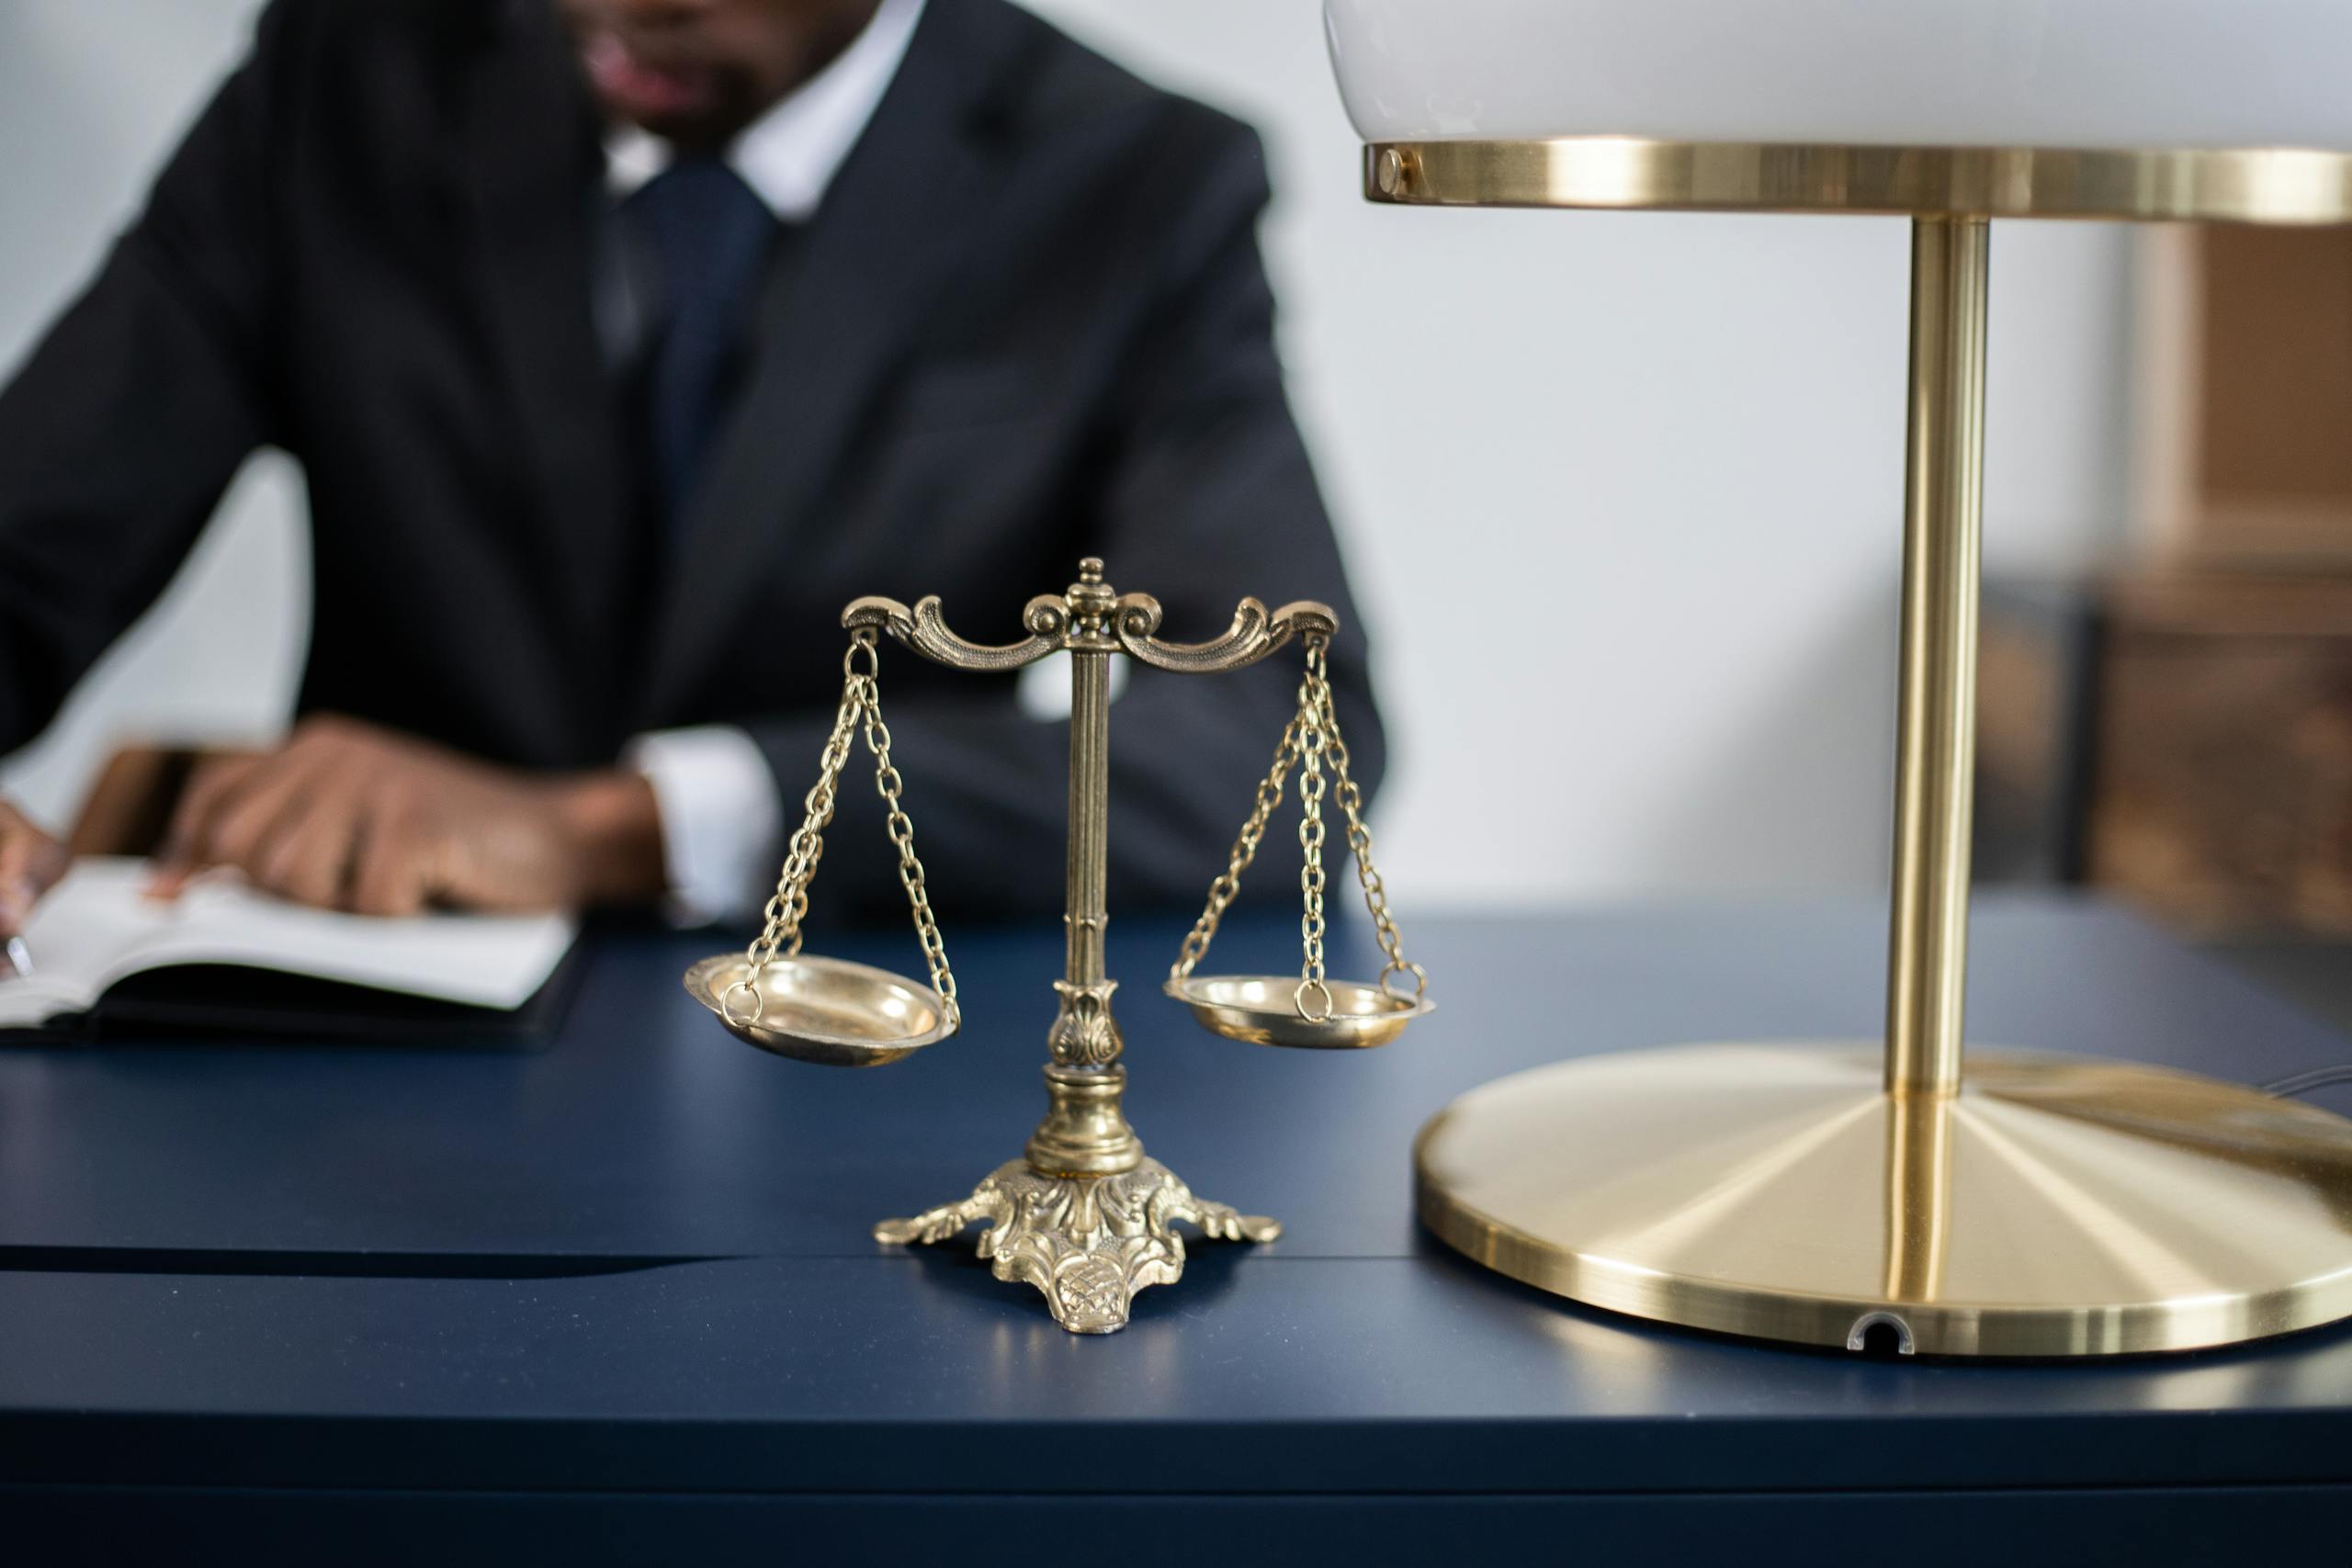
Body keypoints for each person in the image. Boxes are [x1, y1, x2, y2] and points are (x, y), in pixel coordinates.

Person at [0, 0, 1382, 947]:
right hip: (338, 1052)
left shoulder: (1134, 185)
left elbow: (1286, 747)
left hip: (853, 1075)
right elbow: (32, 534)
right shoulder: (339, 83)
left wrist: (625, 828)